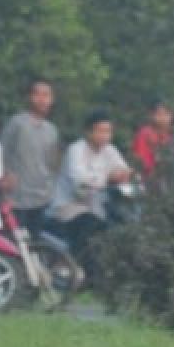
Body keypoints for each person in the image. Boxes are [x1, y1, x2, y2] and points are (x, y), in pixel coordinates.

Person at [47, 111, 133, 265]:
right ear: (88, 132)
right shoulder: (76, 149)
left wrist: (121, 175)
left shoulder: (110, 150)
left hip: (96, 205)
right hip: (69, 206)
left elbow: (124, 171)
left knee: (123, 222)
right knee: (91, 227)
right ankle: (80, 268)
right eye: (100, 131)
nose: (105, 136)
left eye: (108, 132)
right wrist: (108, 178)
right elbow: (79, 179)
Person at [1, 78, 60, 237]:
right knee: (16, 242)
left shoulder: (52, 130)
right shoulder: (17, 123)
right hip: (17, 197)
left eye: (46, 95)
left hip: (41, 197)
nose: (42, 99)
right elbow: (2, 152)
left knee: (36, 241)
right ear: (29, 97)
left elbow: (52, 164)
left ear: (52, 99)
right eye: (37, 94)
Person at [131, 99, 174, 184]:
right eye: (159, 114)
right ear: (152, 115)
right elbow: (142, 163)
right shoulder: (144, 134)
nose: (163, 117)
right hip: (148, 180)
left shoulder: (173, 136)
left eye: (166, 114)